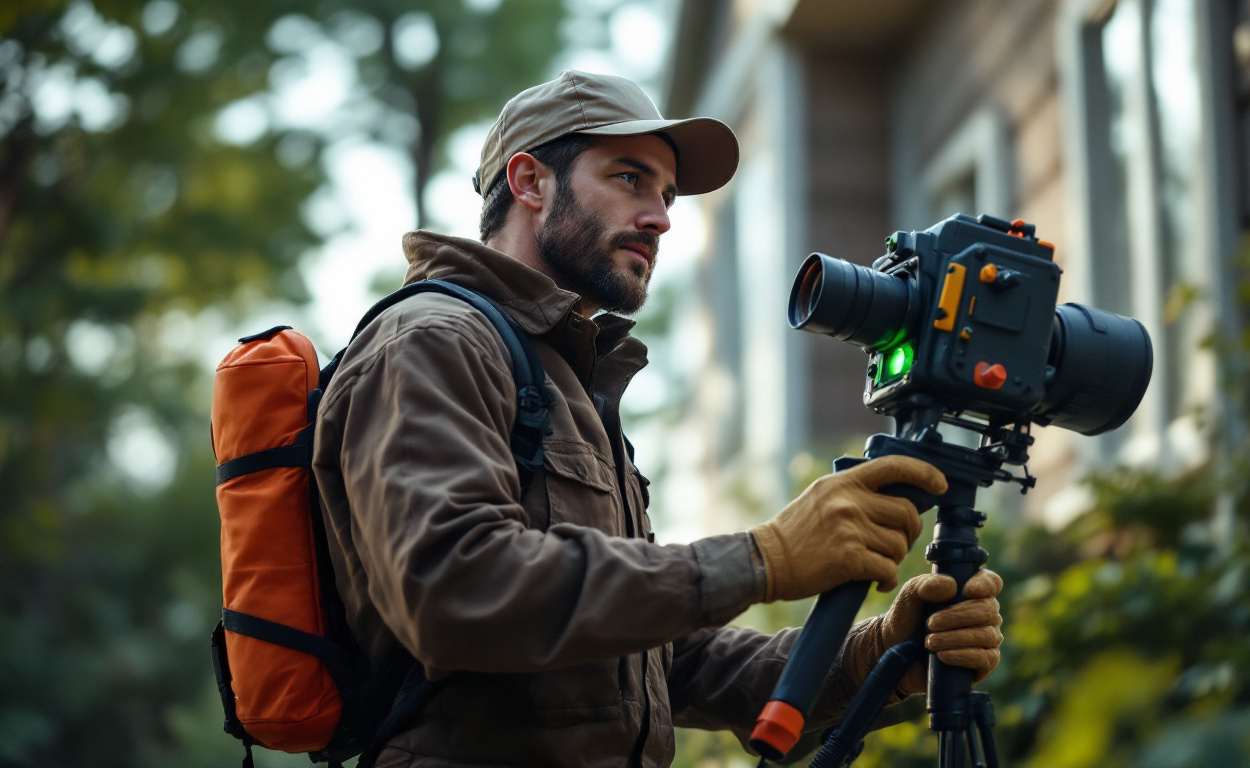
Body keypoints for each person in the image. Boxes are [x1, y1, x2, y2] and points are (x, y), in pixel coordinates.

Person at [312, 70, 1004, 768]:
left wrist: (875, 657)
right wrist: (762, 558)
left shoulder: (566, 381)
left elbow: (658, 663)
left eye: (667, 195)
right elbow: (454, 591)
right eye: (630, 179)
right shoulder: (434, 340)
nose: (662, 217)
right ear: (529, 182)